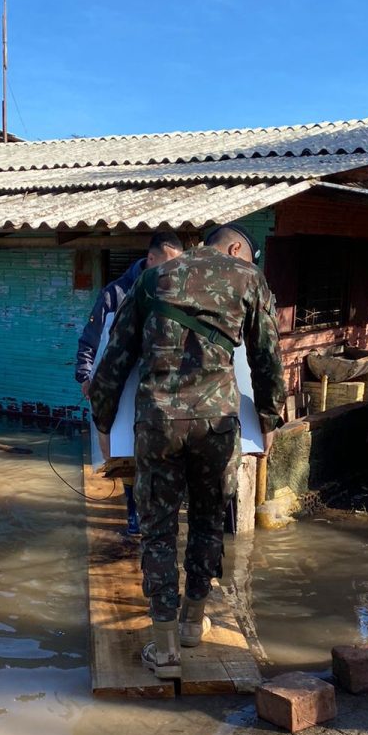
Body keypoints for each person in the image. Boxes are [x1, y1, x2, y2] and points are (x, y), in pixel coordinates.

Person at [88, 224, 285, 679]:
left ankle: (165, 649)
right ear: (236, 249)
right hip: (216, 424)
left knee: (158, 531)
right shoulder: (248, 281)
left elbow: (116, 356)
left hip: (157, 424)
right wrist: (270, 420)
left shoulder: (153, 278)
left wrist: (103, 423)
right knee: (208, 519)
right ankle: (194, 623)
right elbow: (267, 358)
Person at [76, 232, 183, 534]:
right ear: (151, 259)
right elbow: (90, 340)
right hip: (121, 389)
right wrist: (86, 377)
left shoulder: (177, 294)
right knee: (123, 453)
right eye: (168, 265)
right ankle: (133, 514)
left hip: (160, 392)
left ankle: (155, 515)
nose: (173, 273)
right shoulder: (116, 294)